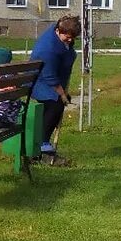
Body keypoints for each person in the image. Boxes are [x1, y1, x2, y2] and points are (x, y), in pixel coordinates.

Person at [28, 15, 79, 166]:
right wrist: (62, 94)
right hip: (41, 83)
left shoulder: (61, 32)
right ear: (58, 30)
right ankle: (42, 146)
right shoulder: (47, 48)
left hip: (52, 80)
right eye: (67, 37)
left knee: (56, 106)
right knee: (55, 105)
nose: (70, 40)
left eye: (73, 38)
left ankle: (41, 144)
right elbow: (49, 76)